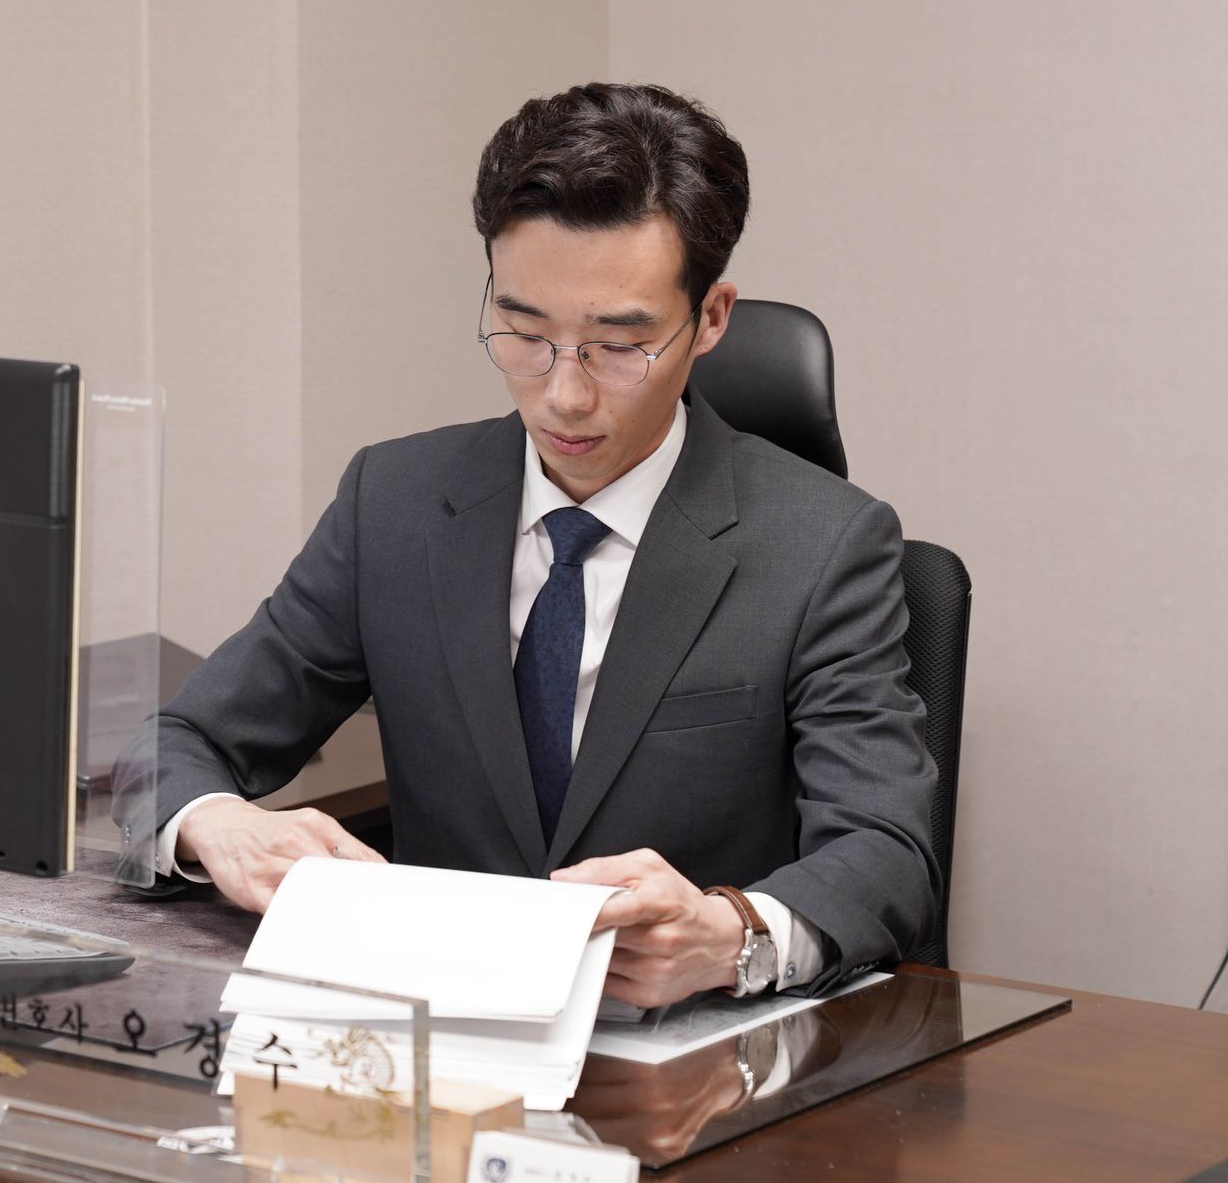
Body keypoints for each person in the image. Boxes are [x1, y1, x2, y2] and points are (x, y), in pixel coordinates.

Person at [137, 82, 939, 1004]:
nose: (563, 394)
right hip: (432, 1028)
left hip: (676, 1041)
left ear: (711, 318)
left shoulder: (823, 544)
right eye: (524, 331)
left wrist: (735, 935)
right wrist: (216, 822)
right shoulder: (394, 502)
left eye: (618, 345)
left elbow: (887, 851)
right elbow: (178, 739)